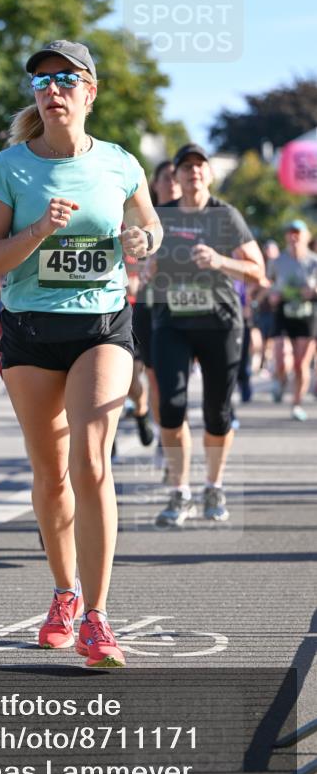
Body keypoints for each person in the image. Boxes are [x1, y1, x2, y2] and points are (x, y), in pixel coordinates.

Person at [0, 39, 161, 669]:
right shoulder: (9, 167)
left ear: (90, 91)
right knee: (51, 473)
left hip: (102, 326)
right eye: (41, 81)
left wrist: (142, 239)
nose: (52, 89)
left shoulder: (119, 162)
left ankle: (99, 618)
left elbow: (150, 226)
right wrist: (38, 230)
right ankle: (64, 593)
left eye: (65, 78)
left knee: (91, 460)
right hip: (30, 330)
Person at [150, 143, 264, 529]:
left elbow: (257, 270)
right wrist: (147, 266)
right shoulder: (161, 216)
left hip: (220, 322)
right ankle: (179, 491)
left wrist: (220, 260)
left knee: (217, 412)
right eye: (186, 166)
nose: (193, 171)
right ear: (176, 176)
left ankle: (213, 485)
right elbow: (141, 260)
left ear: (210, 175)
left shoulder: (225, 216)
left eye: (200, 165)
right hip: (172, 321)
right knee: (171, 406)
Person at [131, 160, 181, 472]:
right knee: (151, 379)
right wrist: (138, 271)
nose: (174, 182)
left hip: (183, 309)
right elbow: (128, 257)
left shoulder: (192, 218)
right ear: (155, 184)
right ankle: (160, 431)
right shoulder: (140, 216)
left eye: (177, 177)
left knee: (173, 382)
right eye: (167, 177)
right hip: (148, 307)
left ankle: (170, 438)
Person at [267, 219, 317, 421]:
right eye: (290, 232)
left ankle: (296, 404)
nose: (294, 236)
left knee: (300, 364)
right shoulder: (278, 261)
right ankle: (280, 380)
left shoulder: (314, 261)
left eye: (298, 232)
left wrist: (313, 291)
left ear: (306, 236)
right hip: (283, 311)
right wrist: (271, 294)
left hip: (307, 313)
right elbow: (267, 282)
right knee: (281, 357)